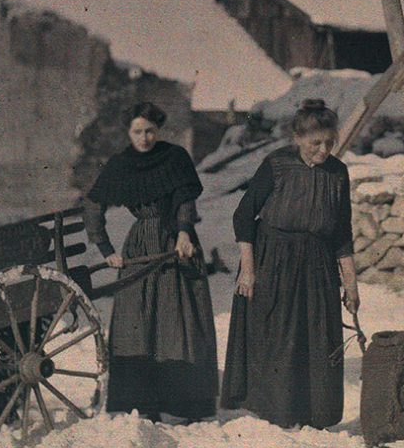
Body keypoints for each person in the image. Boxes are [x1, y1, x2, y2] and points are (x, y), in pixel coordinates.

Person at [221, 98, 360, 429]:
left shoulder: (338, 173)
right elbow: (243, 216)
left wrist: (351, 283)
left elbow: (342, 232)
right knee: (278, 335)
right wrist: (249, 270)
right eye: (316, 143)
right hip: (274, 259)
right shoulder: (276, 164)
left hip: (317, 264)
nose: (324, 150)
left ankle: (314, 414)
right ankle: (275, 412)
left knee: (315, 337)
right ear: (297, 138)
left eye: (330, 142)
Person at [83, 102, 218, 422]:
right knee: (139, 322)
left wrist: (185, 232)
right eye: (137, 132)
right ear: (128, 132)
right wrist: (105, 248)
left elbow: (185, 199)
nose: (144, 138)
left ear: (159, 131)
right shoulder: (120, 164)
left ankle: (186, 404)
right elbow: (93, 204)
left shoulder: (175, 157)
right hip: (141, 246)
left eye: (150, 131)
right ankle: (143, 403)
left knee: (179, 319)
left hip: (176, 244)